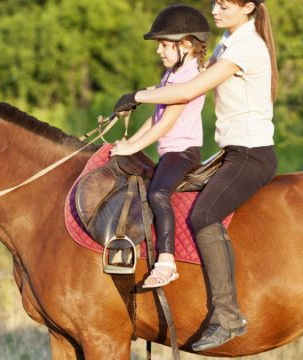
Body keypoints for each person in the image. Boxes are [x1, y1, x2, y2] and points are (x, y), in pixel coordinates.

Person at [114, 0, 278, 352]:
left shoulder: (246, 47)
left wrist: (138, 95)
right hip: (231, 153)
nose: (215, 9)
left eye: (224, 4)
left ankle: (228, 315)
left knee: (203, 215)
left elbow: (189, 91)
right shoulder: (225, 44)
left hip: (251, 155)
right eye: (215, 3)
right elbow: (182, 87)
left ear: (248, 7)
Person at [110, 4, 210, 289]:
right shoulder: (172, 75)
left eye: (165, 45)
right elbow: (155, 118)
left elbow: (165, 125)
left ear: (187, 44)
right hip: (169, 152)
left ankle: (167, 262)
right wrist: (130, 142)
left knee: (159, 194)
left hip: (183, 153)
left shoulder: (189, 77)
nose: (159, 51)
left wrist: (134, 147)